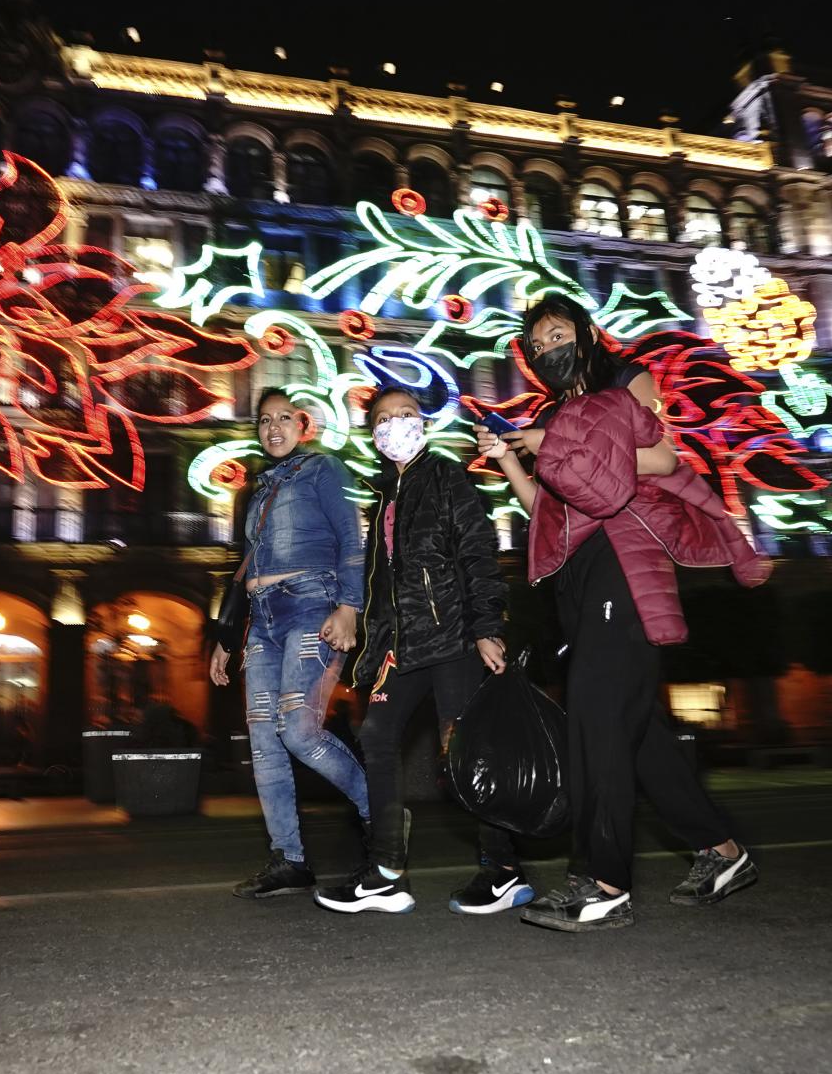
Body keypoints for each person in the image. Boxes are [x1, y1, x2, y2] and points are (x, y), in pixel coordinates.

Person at [477, 292, 766, 932]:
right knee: (633, 730)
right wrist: (511, 461)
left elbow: (661, 459)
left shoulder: (624, 379)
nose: (549, 347)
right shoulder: (551, 412)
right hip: (575, 570)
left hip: (626, 553)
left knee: (597, 711)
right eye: (538, 342)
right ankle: (723, 851)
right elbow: (543, 506)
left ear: (583, 332)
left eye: (558, 333)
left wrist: (551, 442)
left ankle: (603, 882)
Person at [316, 387, 520, 917]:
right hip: (399, 649)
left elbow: (477, 552)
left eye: (406, 414)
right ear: (374, 435)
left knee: (464, 753)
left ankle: (502, 870)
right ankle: (385, 875)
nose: (396, 424)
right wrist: (365, 632)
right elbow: (381, 580)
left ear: (423, 423)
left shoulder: (447, 476)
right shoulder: (383, 493)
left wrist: (486, 626)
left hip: (452, 639)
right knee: (376, 737)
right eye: (384, 419)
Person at [212, 388, 371, 899]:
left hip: (310, 605)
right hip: (262, 621)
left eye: (284, 418)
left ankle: (382, 817)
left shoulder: (324, 470)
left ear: (304, 426)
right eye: (264, 420)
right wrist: (224, 636)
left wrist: (350, 606)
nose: (273, 427)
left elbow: (352, 537)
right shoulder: (258, 491)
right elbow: (244, 566)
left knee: (299, 730)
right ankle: (290, 859)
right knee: (264, 741)